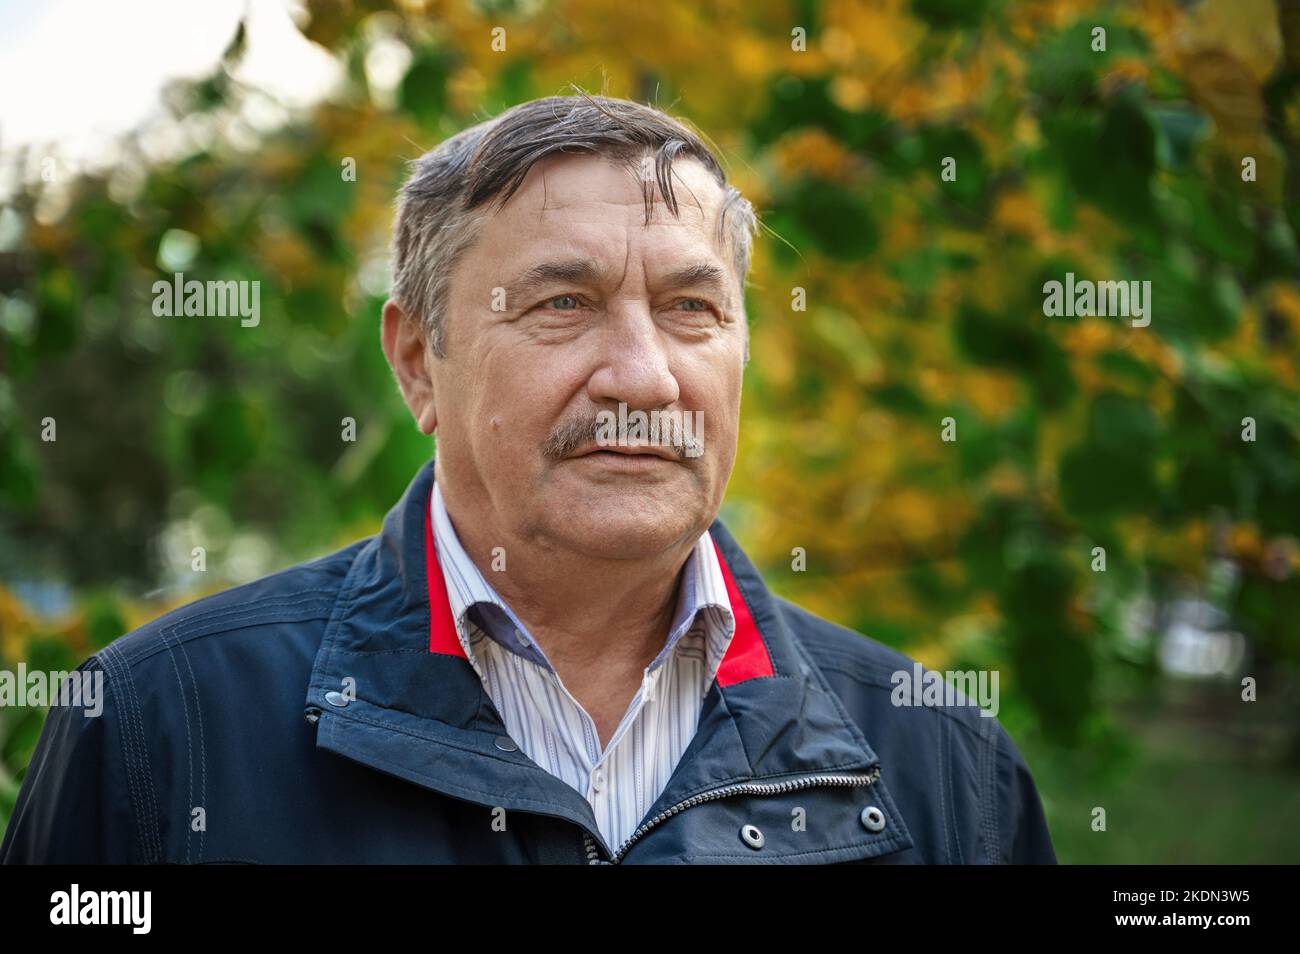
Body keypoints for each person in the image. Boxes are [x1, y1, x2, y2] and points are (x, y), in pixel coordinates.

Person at [1, 93, 1056, 864]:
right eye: (562, 304)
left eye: (692, 308)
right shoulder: (158, 727)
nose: (644, 373)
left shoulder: (945, 768)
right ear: (419, 361)